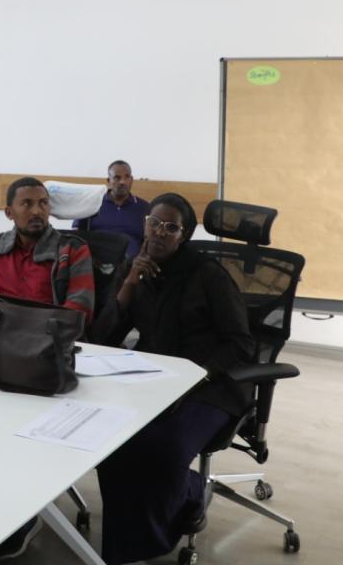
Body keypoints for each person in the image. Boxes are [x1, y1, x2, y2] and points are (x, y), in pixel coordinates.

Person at [91, 193, 254, 565]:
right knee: (112, 443)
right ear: (144, 224)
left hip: (211, 385)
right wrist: (129, 283)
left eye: (171, 227)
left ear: (184, 235)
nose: (159, 233)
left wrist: (198, 375)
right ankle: (121, 549)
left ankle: (174, 513)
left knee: (163, 449)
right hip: (154, 380)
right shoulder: (137, 268)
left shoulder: (207, 274)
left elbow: (240, 343)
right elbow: (103, 337)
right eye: (154, 223)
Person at [0, 177, 95, 322]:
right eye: (27, 204)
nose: (37, 211)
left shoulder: (73, 249)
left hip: (50, 333)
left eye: (43, 203)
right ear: (9, 213)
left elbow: (80, 309)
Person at [74, 160, 150, 257]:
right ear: (109, 180)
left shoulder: (145, 208)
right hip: (96, 263)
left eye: (126, 177)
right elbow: (76, 237)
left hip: (132, 263)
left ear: (131, 180)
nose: (122, 182)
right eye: (117, 178)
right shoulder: (91, 203)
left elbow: (149, 241)